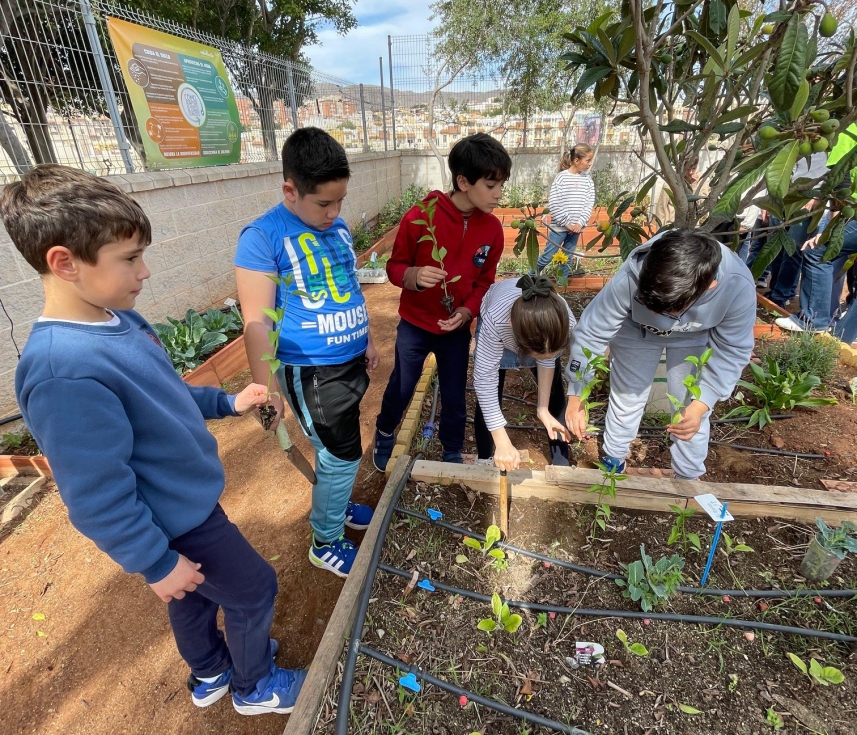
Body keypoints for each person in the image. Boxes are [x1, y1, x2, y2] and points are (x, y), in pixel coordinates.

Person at [2, 164, 306, 715]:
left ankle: (212, 669)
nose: (144, 271)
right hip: (176, 520)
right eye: (128, 258)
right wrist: (155, 562)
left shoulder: (118, 320)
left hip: (183, 505)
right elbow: (95, 494)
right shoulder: (62, 371)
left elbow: (165, 395)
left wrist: (226, 401)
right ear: (64, 262)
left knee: (192, 597)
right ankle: (254, 686)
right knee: (254, 588)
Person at [235, 127, 379, 579]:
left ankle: (336, 504)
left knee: (344, 447)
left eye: (340, 201)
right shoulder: (262, 236)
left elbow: (349, 285)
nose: (334, 213)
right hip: (312, 369)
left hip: (350, 360)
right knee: (341, 453)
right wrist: (266, 388)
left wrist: (368, 337)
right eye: (323, 203)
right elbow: (256, 321)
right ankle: (326, 539)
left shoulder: (335, 226)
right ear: (290, 190)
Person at [565, 229, 756, 480]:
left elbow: (732, 350)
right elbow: (591, 334)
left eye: (670, 309)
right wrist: (577, 392)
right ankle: (614, 460)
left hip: (694, 335)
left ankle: (687, 478)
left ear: (709, 287)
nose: (659, 319)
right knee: (627, 396)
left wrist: (702, 404)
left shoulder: (737, 287)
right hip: (634, 329)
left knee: (689, 409)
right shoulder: (632, 276)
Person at [373, 133, 511, 470]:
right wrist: (415, 276)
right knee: (402, 386)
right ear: (463, 181)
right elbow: (394, 267)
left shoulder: (492, 230)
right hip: (415, 327)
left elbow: (484, 282)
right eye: (491, 185)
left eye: (501, 185)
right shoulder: (421, 217)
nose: (498, 194)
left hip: (456, 330)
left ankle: (450, 448)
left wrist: (465, 312)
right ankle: (385, 429)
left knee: (454, 393)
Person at [473, 275, 575, 470]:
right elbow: (485, 380)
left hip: (533, 329)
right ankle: (485, 456)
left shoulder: (564, 321)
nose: (540, 359)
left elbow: (548, 360)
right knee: (492, 391)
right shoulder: (496, 321)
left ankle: (561, 462)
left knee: (555, 392)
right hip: (498, 318)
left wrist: (543, 409)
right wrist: (502, 441)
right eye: (536, 356)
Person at [775, 124, 857, 339]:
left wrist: (830, 230)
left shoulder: (850, 132)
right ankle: (841, 340)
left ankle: (815, 319)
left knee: (817, 252)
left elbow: (841, 183)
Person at [535, 144, 595, 280]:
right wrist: (567, 223)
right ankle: (529, 278)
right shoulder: (561, 178)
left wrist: (580, 223)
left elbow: (589, 203)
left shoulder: (588, 181)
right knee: (548, 256)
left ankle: (562, 285)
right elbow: (555, 203)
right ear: (576, 160)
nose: (590, 164)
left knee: (567, 257)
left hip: (576, 228)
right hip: (559, 228)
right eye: (588, 160)